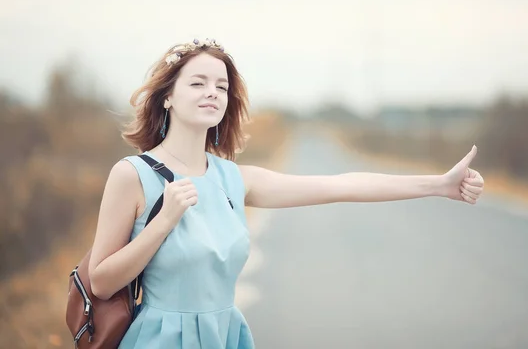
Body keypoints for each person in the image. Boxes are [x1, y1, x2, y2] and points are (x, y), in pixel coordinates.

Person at [88, 38, 485, 349]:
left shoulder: (234, 179)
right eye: (198, 82)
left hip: (226, 337)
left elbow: (340, 186)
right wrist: (163, 224)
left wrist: (439, 185)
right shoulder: (132, 175)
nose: (213, 92)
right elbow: (101, 282)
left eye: (222, 86)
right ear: (168, 96)